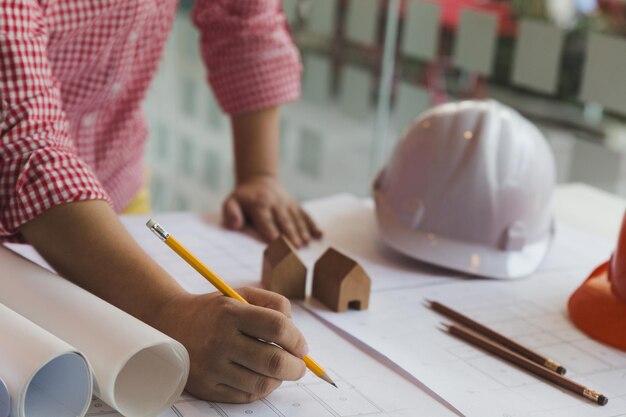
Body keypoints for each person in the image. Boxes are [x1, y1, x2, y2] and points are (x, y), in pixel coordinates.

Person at [0, 0, 321, 403]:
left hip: (115, 188)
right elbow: (21, 142)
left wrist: (260, 175)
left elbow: (245, 18)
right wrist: (168, 314)